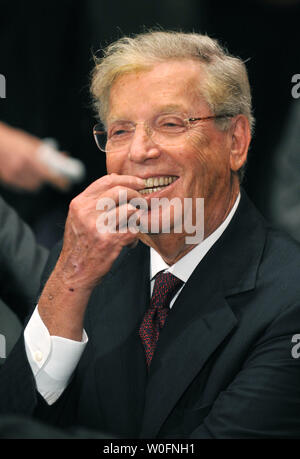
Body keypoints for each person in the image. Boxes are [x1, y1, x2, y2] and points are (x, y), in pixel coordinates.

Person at [2, 30, 300, 438]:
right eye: (121, 131)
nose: (140, 152)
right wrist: (70, 277)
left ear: (237, 141)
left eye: (171, 124)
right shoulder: (80, 264)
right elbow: (16, 409)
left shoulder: (290, 298)